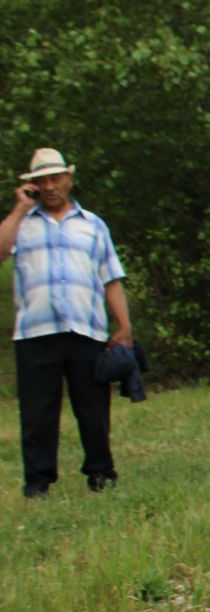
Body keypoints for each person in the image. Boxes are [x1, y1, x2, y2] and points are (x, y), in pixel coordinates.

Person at [1, 148, 132, 498]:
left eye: (55, 178)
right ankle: (38, 482)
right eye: (41, 181)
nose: (50, 186)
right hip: (35, 332)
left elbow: (111, 279)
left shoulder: (93, 225)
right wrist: (19, 208)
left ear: (68, 179)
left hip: (85, 329)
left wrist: (123, 327)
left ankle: (101, 474)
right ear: (32, 186)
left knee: (92, 407)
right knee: (37, 412)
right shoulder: (22, 224)